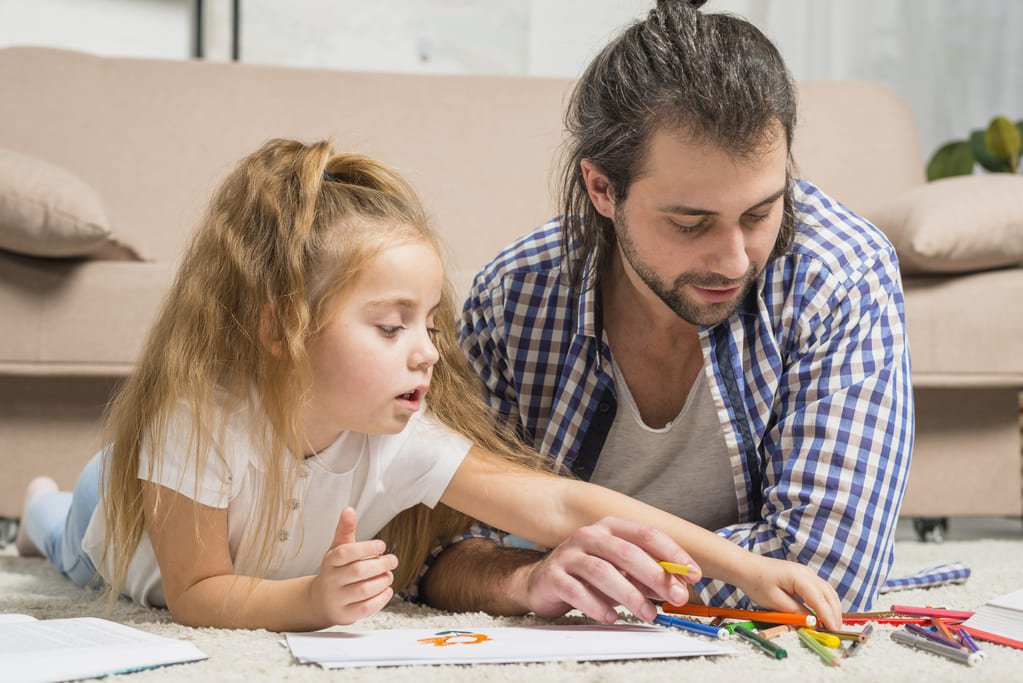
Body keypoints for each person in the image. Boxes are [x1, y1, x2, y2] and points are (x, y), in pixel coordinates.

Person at [16, 138, 843, 632]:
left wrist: (739, 562)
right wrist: (309, 598)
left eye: (430, 327)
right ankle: (39, 508)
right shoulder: (196, 421)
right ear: (279, 327)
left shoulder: (396, 437)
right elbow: (195, 593)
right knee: (64, 537)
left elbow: (561, 505)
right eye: (390, 327)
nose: (427, 355)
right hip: (118, 507)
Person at [420, 0, 913, 618]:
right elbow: (438, 552)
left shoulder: (840, 275)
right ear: (602, 189)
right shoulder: (513, 298)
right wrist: (533, 579)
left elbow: (828, 570)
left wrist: (592, 572)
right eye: (690, 223)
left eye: (760, 213)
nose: (735, 260)